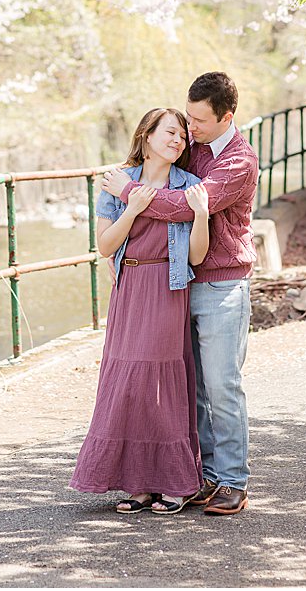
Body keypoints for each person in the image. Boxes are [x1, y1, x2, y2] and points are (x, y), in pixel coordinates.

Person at [97, 71, 260, 516]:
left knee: (223, 384)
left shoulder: (238, 161)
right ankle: (202, 475)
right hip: (179, 284)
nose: (190, 129)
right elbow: (157, 165)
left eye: (199, 120)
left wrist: (128, 191)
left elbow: (179, 205)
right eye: (186, 118)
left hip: (222, 282)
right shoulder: (193, 147)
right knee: (194, 388)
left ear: (227, 117)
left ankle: (232, 481)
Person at [72, 108, 211, 513]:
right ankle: (138, 483)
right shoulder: (117, 182)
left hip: (167, 286)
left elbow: (197, 255)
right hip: (129, 287)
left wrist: (200, 213)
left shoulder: (190, 186)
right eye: (170, 133)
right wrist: (130, 207)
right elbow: (104, 245)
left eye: (182, 137)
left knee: (160, 383)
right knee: (129, 381)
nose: (178, 141)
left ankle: (173, 481)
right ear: (147, 136)